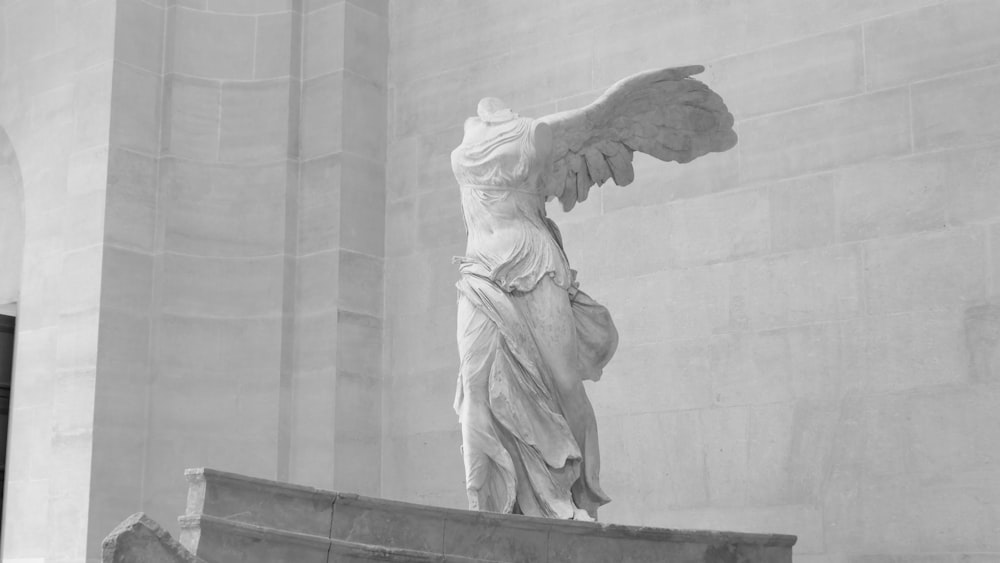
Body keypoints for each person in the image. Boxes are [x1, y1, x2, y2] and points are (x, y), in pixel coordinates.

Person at [451, 97, 618, 521]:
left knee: (565, 382)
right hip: (479, 270)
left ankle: (582, 495)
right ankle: (482, 506)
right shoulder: (472, 129)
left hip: (533, 262)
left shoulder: (538, 133)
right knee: (475, 388)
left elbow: (600, 116)